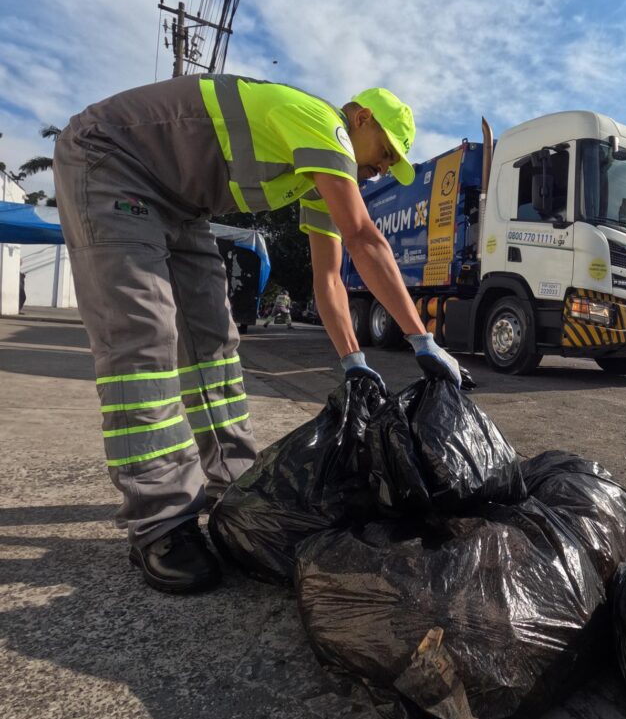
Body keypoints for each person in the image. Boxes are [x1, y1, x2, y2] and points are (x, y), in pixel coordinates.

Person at [53, 74, 460, 594]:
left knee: (214, 343)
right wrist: (422, 339)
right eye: (385, 152)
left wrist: (355, 363)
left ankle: (235, 485)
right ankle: (160, 521)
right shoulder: (323, 125)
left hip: (183, 206)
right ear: (360, 119)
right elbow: (364, 237)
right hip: (111, 162)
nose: (383, 168)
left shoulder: (320, 177)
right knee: (143, 340)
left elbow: (329, 278)